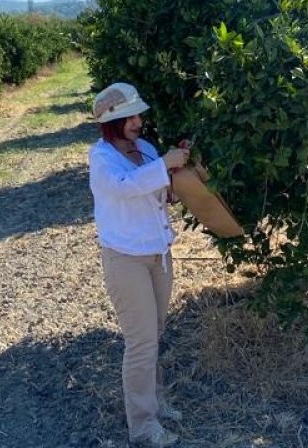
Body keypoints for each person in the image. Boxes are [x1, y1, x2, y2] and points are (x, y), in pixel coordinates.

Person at [89, 83, 190, 447]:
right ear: (111, 123)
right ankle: (144, 427)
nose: (137, 122)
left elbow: (157, 194)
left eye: (137, 115)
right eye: (129, 117)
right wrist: (164, 166)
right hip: (126, 259)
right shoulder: (101, 159)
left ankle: (155, 402)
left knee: (155, 331)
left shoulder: (145, 150)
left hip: (158, 254)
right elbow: (125, 186)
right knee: (141, 340)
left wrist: (173, 182)